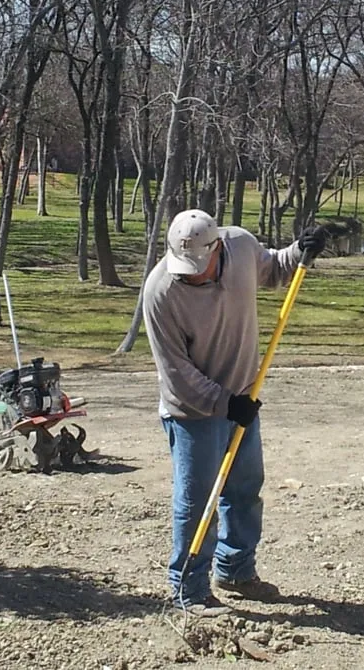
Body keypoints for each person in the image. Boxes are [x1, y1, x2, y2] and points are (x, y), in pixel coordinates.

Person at [143, 209, 328, 616]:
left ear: (217, 248)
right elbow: (177, 376)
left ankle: (235, 569)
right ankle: (188, 589)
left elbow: (273, 269)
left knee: (244, 490)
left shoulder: (240, 246)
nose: (189, 273)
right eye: (182, 265)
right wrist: (226, 405)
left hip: (244, 396)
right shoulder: (160, 293)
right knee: (197, 502)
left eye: (197, 266)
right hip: (192, 412)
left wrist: (300, 250)